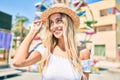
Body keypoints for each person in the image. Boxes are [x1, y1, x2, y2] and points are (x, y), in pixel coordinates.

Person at [12, 3, 89, 80]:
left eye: (59, 21)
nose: (54, 26)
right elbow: (17, 62)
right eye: (51, 22)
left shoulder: (83, 53)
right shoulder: (45, 49)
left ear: (69, 23)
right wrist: (33, 31)